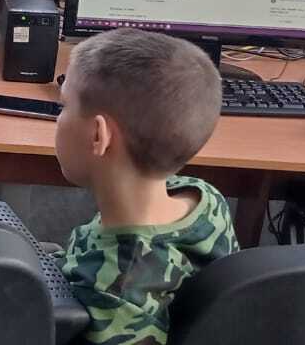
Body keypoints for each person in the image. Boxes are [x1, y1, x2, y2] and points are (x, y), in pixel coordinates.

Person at [54, 28, 239, 345]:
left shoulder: (111, 294)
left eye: (63, 106)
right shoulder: (203, 197)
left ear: (98, 136)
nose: (58, 118)